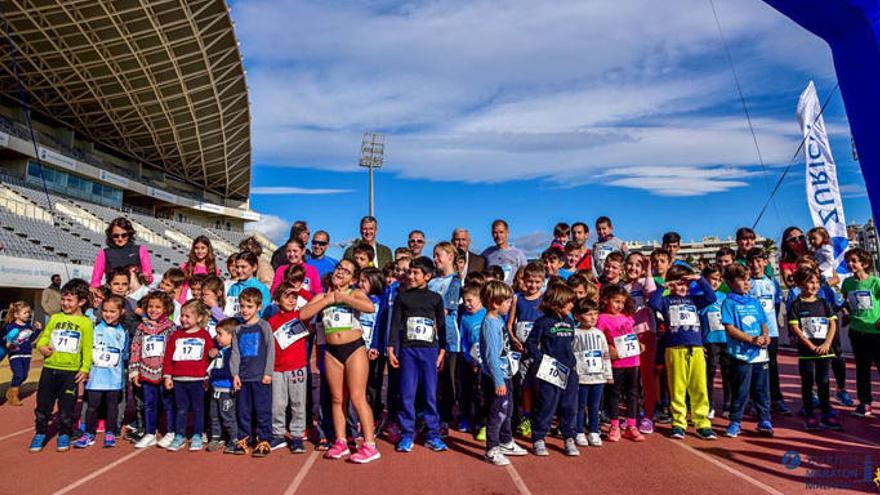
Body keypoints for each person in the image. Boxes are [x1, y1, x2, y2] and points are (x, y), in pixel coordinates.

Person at [300, 258, 381, 463]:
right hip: (331, 351)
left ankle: (370, 445)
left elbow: (369, 307)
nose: (340, 272)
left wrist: (342, 298)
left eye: (346, 271)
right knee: (337, 398)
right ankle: (341, 441)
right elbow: (303, 314)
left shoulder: (355, 293)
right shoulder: (322, 295)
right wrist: (327, 300)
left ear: (352, 278)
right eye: (339, 268)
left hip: (354, 349)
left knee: (357, 396)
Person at [649, 265, 717, 440]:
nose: (683, 288)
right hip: (674, 349)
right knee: (677, 387)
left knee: (699, 387)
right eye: (679, 284)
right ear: (672, 284)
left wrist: (698, 279)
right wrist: (664, 286)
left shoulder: (694, 300)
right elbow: (653, 303)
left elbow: (711, 297)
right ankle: (678, 422)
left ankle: (702, 423)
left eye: (686, 285)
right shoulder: (666, 301)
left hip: (696, 349)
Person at [387, 257, 447, 453]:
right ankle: (407, 435)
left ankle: (433, 435)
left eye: (415, 273)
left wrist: (442, 351)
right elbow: (395, 324)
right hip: (408, 350)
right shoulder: (402, 297)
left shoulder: (436, 298)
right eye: (409, 272)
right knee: (407, 394)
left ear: (427, 277)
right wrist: (391, 348)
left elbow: (442, 326)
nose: (410, 276)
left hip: (429, 350)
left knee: (430, 394)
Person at [29, 279, 93, 453]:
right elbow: (44, 337)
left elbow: (87, 348)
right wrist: (41, 346)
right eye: (63, 299)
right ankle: (40, 432)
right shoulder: (56, 318)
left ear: (81, 301)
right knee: (43, 404)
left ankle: (64, 433)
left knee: (67, 406)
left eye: (70, 300)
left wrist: (85, 368)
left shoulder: (86, 323)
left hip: (70, 372)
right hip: (50, 368)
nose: (65, 303)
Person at [525, 282, 580, 456]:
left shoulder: (570, 322)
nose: (572, 305)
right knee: (547, 405)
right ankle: (539, 438)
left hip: (569, 371)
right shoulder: (542, 322)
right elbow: (531, 343)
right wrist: (541, 359)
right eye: (569, 302)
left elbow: (570, 344)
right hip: (550, 371)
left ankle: (569, 438)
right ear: (557, 302)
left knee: (569, 406)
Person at [722, 263, 773, 438]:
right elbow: (730, 328)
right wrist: (750, 339)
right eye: (741, 280)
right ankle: (735, 421)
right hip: (741, 355)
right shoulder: (728, 303)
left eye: (748, 279)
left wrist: (765, 336)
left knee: (761, 389)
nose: (746, 283)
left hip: (760, 355)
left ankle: (764, 419)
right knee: (741, 390)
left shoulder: (754, 301)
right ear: (729, 282)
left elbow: (763, 323)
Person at [787, 267, 842, 430]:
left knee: (824, 382)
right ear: (801, 284)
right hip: (807, 353)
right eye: (811, 282)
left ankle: (826, 412)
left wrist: (826, 344)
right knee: (808, 382)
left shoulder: (824, 303)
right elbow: (796, 329)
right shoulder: (796, 305)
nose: (815, 286)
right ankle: (810, 414)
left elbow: (832, 323)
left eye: (817, 282)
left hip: (824, 352)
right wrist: (810, 346)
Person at [480, 280, 528, 465]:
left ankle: (506, 441)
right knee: (497, 413)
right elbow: (491, 356)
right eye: (507, 302)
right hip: (495, 377)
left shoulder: (498, 320)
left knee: (507, 410)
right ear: (494, 303)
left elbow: (502, 348)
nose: (510, 305)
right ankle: (492, 449)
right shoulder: (490, 324)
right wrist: (498, 381)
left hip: (505, 373)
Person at [75, 295, 128, 449]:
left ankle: (110, 431)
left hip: (114, 378)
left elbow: (125, 353)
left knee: (112, 406)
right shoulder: (94, 328)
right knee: (92, 406)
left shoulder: (123, 331)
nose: (108, 314)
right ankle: (89, 433)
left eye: (112, 311)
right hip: (95, 377)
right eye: (105, 311)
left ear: (121, 312)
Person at [267, 281, 313, 453]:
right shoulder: (271, 321)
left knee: (298, 402)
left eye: (294, 297)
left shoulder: (300, 316)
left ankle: (297, 436)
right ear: (277, 300)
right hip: (277, 369)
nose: (292, 300)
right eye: (288, 297)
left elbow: (314, 301)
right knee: (278, 404)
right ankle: (278, 434)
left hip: (297, 368)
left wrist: (300, 291)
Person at [163, 300, 214, 452]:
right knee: (181, 409)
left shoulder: (204, 335)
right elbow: (168, 357)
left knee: (198, 409)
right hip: (179, 380)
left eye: (187, 316)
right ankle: (179, 435)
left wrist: (207, 377)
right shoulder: (176, 335)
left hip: (198, 380)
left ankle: (198, 434)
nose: (183, 319)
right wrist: (167, 376)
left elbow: (209, 358)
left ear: (198, 318)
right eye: (182, 316)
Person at [230, 288, 275, 457]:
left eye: (249, 306)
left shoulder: (264, 326)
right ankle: (244, 439)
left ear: (258, 307)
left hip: (260, 376)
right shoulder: (238, 329)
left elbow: (271, 349)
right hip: (243, 377)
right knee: (243, 411)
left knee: (262, 410)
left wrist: (268, 373)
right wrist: (235, 374)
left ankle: (264, 440)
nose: (244, 310)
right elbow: (235, 353)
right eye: (242, 306)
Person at [130, 291, 177, 449]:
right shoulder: (141, 327)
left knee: (168, 404)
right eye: (150, 306)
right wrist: (134, 371)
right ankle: (150, 433)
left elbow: (174, 350)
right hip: (146, 371)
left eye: (158, 307)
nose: (153, 310)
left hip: (165, 373)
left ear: (166, 309)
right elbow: (136, 348)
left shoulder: (171, 328)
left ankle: (171, 431)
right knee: (149, 404)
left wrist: (170, 372)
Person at [598, 284, 645, 443]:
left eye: (622, 302)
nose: (619, 306)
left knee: (633, 393)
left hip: (633, 361)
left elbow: (631, 335)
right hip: (616, 363)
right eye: (616, 301)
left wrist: (639, 345)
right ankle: (614, 425)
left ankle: (631, 425)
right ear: (606, 300)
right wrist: (608, 348)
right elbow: (598, 338)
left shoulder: (627, 317)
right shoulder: (602, 318)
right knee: (614, 394)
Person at [746, 247, 789, 415]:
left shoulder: (772, 283)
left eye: (759, 261)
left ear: (765, 262)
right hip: (752, 334)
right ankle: (753, 400)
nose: (756, 265)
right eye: (752, 261)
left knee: (772, 366)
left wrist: (771, 325)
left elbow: (777, 305)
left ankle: (777, 399)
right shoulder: (747, 284)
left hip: (771, 333)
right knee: (754, 366)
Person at [841, 248, 880, 417]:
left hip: (876, 332)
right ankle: (865, 403)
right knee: (862, 369)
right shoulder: (847, 283)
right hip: (857, 332)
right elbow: (843, 302)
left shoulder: (875, 282)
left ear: (864, 263)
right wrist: (845, 312)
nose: (850, 264)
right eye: (848, 261)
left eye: (854, 261)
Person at [507, 262, 544, 438]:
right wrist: (514, 339)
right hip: (521, 351)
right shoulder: (517, 298)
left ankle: (540, 417)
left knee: (539, 386)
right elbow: (509, 323)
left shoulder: (545, 299)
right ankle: (526, 418)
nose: (533, 285)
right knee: (525, 386)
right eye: (530, 281)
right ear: (524, 280)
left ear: (543, 282)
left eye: (537, 282)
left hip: (539, 352)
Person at [428, 242, 463, 432]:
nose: (435, 259)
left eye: (439, 255)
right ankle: (432, 415)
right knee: (434, 380)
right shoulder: (431, 282)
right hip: (429, 339)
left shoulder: (456, 281)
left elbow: (445, 309)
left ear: (450, 257)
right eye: (434, 255)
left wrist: (431, 321)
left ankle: (447, 418)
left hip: (448, 338)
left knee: (449, 380)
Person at [623, 251, 658, 433]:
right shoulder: (623, 287)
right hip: (628, 337)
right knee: (632, 378)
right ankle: (633, 414)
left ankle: (648, 416)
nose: (633, 268)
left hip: (646, 335)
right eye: (630, 264)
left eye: (638, 265)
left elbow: (652, 293)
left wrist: (649, 271)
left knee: (646, 377)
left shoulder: (645, 283)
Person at [571, 298, 611, 447]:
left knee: (594, 407)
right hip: (581, 378)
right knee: (580, 406)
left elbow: (605, 353)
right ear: (577, 316)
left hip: (598, 378)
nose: (593, 317)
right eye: (588, 314)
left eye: (595, 314)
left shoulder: (599, 334)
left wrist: (608, 374)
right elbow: (570, 354)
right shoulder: (574, 333)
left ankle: (594, 431)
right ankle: (579, 431)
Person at [699, 264, 731, 419]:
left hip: (726, 340)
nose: (715, 282)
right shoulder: (701, 297)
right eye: (712, 279)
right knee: (709, 373)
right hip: (709, 341)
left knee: (727, 373)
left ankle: (728, 405)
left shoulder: (726, 297)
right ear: (705, 279)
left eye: (719, 279)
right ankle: (709, 405)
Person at [90, 217, 153, 289]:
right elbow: (95, 282)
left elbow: (150, 278)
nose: (120, 239)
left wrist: (145, 277)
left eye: (124, 235)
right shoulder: (103, 253)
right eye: (116, 236)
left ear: (129, 234)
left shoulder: (141, 250)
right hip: (114, 296)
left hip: (136, 295)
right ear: (111, 236)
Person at [459, 281, 486, 437]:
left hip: (488, 362)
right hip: (473, 362)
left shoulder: (488, 314)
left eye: (470, 300)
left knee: (483, 393)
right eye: (465, 300)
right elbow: (465, 340)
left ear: (480, 298)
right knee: (469, 390)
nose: (467, 304)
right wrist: (470, 359)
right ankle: (467, 418)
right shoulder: (465, 318)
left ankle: (484, 424)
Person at [207, 319, 238, 454]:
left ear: (231, 336)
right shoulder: (220, 350)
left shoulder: (232, 352)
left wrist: (214, 373)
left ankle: (234, 439)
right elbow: (214, 366)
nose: (216, 337)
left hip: (227, 389)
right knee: (214, 415)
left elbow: (227, 370)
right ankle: (216, 437)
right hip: (215, 389)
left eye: (220, 334)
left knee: (227, 416)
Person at [3, 301, 42, 406]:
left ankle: (11, 391)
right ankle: (14, 396)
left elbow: (31, 339)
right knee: (18, 374)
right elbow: (7, 340)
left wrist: (38, 330)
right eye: (25, 313)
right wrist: (9, 345)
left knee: (24, 375)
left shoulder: (28, 326)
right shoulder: (10, 326)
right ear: (16, 314)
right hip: (15, 354)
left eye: (29, 312)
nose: (28, 315)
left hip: (27, 354)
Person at [481, 219, 527, 285]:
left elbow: (525, 275)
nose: (498, 236)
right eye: (495, 233)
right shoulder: (487, 253)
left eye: (501, 232)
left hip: (511, 293)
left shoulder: (518, 254)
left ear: (507, 233)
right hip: (492, 293)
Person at [180, 236, 219, 304]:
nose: (199, 251)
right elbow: (180, 286)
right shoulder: (186, 266)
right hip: (185, 301)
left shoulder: (214, 270)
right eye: (197, 248)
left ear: (208, 249)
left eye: (203, 248)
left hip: (203, 303)